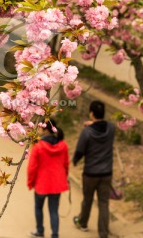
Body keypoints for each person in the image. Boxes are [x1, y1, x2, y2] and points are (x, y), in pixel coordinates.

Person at [73, 100, 115, 238]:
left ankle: (83, 223)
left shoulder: (87, 133)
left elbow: (80, 151)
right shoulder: (111, 128)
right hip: (107, 173)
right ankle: (103, 233)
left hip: (90, 173)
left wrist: (74, 161)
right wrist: (93, 124)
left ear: (91, 114)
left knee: (88, 199)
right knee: (104, 203)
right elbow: (103, 125)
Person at [27, 118, 69, 238]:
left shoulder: (38, 146)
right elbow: (66, 164)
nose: (38, 129)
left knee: (38, 208)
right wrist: (64, 179)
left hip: (41, 184)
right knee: (54, 211)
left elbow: (32, 168)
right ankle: (54, 235)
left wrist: (30, 183)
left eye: (40, 127)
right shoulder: (63, 145)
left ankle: (40, 231)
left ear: (45, 130)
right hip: (57, 184)